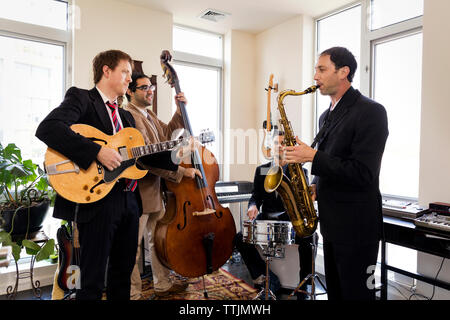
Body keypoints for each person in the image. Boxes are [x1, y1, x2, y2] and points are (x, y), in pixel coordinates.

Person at [35, 50, 174, 300]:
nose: (129, 79)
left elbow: (142, 156)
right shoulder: (81, 98)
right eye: (125, 72)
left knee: (122, 275)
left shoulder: (126, 116)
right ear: (106, 71)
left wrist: (176, 153)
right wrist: (97, 151)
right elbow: (49, 128)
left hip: (130, 202)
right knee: (92, 280)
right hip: (97, 202)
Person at [282, 47, 389, 300]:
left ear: (344, 72)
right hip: (331, 226)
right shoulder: (325, 116)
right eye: (316, 70)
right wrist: (316, 186)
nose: (315, 76)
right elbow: (334, 161)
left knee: (359, 295)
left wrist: (313, 156)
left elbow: (363, 172)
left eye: (321, 69)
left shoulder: (371, 111)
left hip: (357, 228)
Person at [125, 72, 201, 299]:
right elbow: (148, 158)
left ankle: (163, 283)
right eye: (144, 87)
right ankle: (133, 293)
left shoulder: (148, 115)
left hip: (156, 190)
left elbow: (167, 135)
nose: (150, 91)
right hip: (139, 192)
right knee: (132, 247)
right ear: (130, 91)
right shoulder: (130, 116)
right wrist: (181, 171)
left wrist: (179, 111)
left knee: (159, 240)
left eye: (152, 87)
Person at [234, 134, 316, 300]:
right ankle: (265, 277)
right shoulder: (262, 170)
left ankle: (303, 286)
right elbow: (255, 196)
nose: (280, 146)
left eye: (283, 143)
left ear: (288, 147)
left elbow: (303, 199)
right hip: (267, 217)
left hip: (289, 219)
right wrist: (252, 206)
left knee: (309, 238)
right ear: (271, 147)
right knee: (240, 238)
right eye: (276, 143)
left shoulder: (300, 171)